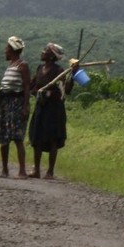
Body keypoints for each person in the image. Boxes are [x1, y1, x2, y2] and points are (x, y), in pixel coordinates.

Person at [28, 42, 77, 179]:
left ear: (51, 56)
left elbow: (66, 90)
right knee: (37, 137)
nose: (42, 52)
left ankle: (50, 171)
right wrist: (38, 93)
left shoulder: (59, 71)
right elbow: (32, 87)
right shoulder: (39, 68)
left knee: (53, 139)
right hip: (41, 107)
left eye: (45, 51)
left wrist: (73, 74)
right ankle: (36, 170)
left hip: (54, 109)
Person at [0, 35, 30, 178]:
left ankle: (22, 171)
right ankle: (4, 169)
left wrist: (25, 106)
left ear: (13, 50)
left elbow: (26, 87)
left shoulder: (22, 66)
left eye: (7, 48)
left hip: (17, 104)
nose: (5, 51)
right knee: (4, 137)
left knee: (17, 138)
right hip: (5, 105)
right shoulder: (11, 66)